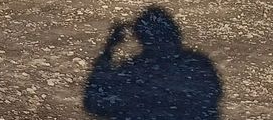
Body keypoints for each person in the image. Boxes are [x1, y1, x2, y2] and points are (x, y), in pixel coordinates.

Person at [84, 7, 221, 119]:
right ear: (175, 33)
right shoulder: (198, 65)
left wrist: (109, 49)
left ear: (141, 38)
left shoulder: (133, 72)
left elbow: (94, 102)